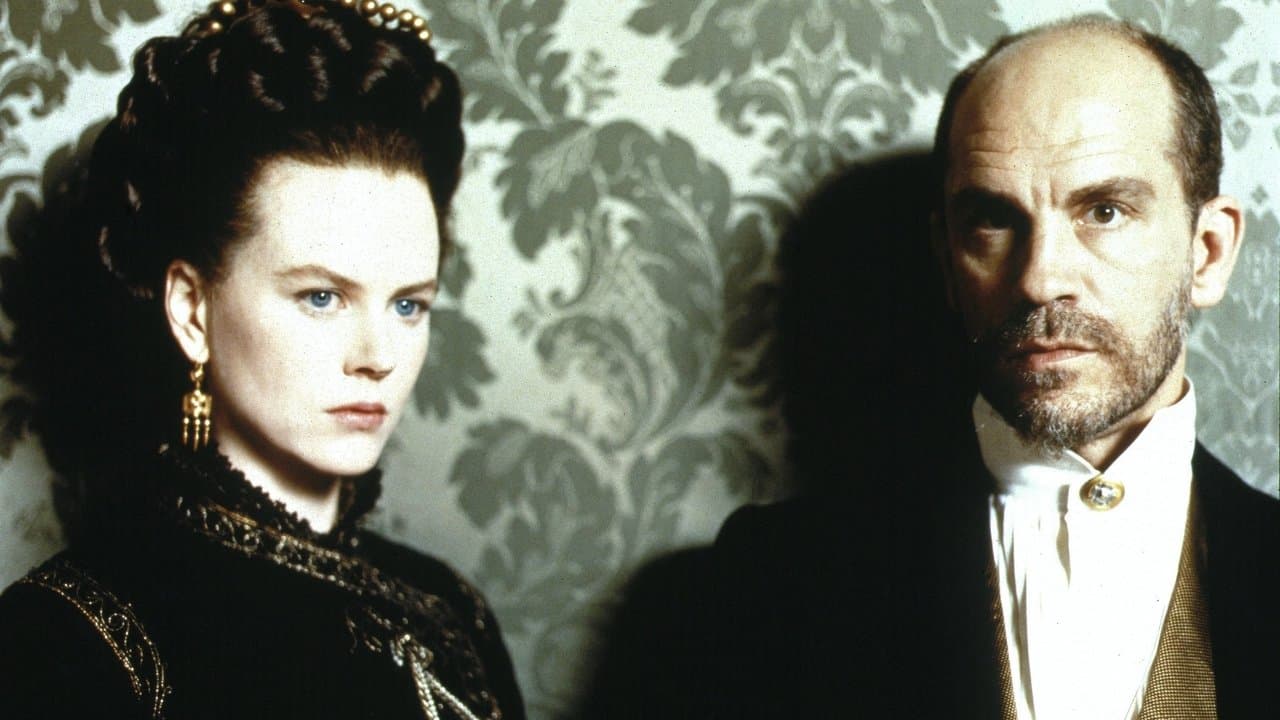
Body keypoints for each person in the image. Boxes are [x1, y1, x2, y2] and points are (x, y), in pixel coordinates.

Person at [580, 15, 1278, 719]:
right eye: (992, 220)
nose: (1039, 279)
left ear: (1208, 253)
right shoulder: (766, 583)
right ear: (947, 261)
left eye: (1104, 211)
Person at [0, 1, 523, 717]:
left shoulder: (453, 612)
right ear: (193, 310)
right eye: (321, 297)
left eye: (408, 305)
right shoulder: (74, 635)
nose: (378, 357)